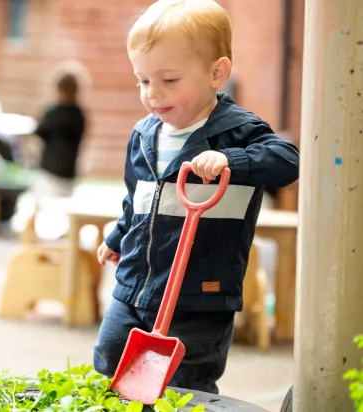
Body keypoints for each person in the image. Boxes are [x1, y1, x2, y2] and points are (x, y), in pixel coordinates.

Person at [93, 0, 299, 395]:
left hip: (201, 292)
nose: (153, 94)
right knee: (112, 355)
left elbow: (287, 160)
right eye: (143, 80)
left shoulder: (239, 131)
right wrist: (119, 237)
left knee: (188, 379)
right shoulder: (144, 135)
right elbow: (137, 199)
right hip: (137, 279)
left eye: (169, 80)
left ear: (216, 73)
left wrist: (229, 160)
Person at [32, 70, 87, 198]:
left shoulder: (54, 113)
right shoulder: (78, 115)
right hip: (68, 171)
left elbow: (39, 131)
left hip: (50, 169)